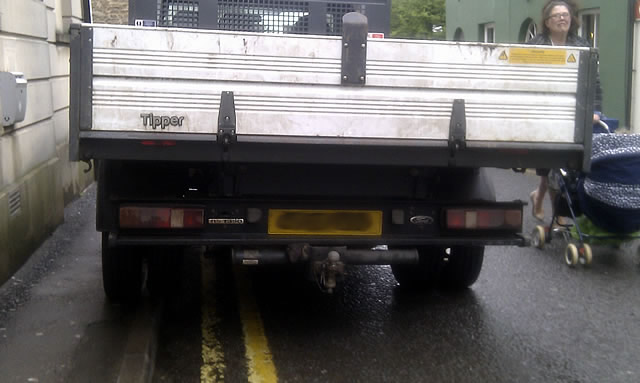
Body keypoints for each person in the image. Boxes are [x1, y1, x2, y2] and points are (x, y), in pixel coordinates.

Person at [528, 0, 602, 223]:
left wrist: (596, 110)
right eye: (557, 15)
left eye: (566, 15)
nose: (562, 18)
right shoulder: (537, 45)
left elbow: (594, 81)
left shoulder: (581, 45)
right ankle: (548, 203)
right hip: (544, 110)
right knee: (548, 164)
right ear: (547, 22)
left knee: (562, 162)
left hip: (572, 111)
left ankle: (554, 210)